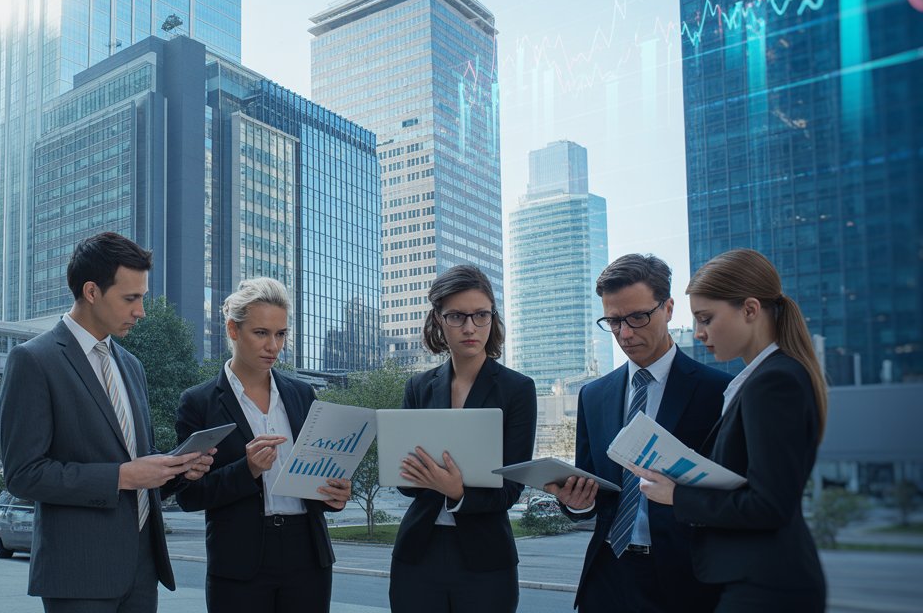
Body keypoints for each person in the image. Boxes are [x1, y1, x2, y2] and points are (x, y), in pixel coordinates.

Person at [0, 232, 214, 612]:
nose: (141, 311)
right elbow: (24, 474)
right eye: (130, 298)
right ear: (92, 291)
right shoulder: (34, 361)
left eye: (142, 297)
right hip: (79, 575)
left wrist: (177, 470)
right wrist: (123, 476)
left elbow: (137, 463)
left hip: (142, 570)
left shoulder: (131, 366)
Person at [628, 248, 828, 611]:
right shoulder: (760, 378)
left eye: (706, 318)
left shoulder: (775, 382)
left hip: (766, 584)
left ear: (750, 310)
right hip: (757, 579)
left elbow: (769, 505)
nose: (699, 333)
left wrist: (677, 496)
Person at [546, 253, 731, 612]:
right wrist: (575, 503)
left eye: (637, 317)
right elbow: (594, 491)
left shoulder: (717, 392)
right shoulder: (593, 395)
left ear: (669, 308)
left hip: (685, 581)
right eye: (613, 321)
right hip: (607, 577)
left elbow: (730, 500)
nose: (625, 333)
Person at [175, 277, 352, 613]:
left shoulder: (302, 394)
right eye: (261, 333)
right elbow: (188, 495)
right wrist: (249, 470)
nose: (273, 345)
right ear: (232, 330)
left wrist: (335, 495)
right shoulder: (198, 402)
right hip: (239, 560)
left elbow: (315, 475)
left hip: (308, 556)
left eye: (281, 334)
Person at [388, 265, 537, 613]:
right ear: (439, 319)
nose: (470, 327)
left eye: (480, 315)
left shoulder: (518, 389)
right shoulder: (418, 387)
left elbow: (511, 490)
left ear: (492, 318)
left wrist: (456, 491)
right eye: (456, 316)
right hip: (417, 554)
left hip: (485, 559)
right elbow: (405, 483)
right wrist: (421, 477)